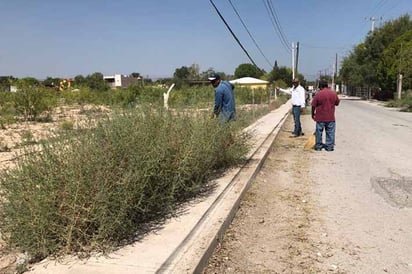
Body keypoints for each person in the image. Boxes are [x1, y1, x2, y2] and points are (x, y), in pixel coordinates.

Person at [311, 81, 340, 151]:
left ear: (320, 87)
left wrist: (312, 114)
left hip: (320, 117)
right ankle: (329, 147)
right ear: (327, 86)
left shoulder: (318, 94)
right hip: (330, 117)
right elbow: (337, 103)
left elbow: (313, 105)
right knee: (330, 132)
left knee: (319, 132)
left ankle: (318, 146)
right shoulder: (333, 93)